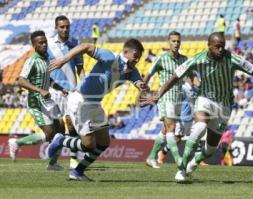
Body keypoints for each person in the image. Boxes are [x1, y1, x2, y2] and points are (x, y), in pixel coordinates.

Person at [141, 32, 253, 182]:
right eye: (217, 47)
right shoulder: (198, 59)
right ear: (209, 46)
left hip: (224, 105)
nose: (220, 50)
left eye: (223, 47)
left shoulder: (232, 59)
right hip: (205, 99)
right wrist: (159, 93)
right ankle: (182, 168)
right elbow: (175, 76)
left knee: (210, 149)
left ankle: (194, 162)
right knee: (199, 128)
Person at [47, 39, 148, 181]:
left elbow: (141, 86)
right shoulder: (109, 57)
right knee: (89, 145)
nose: (137, 59)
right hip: (80, 100)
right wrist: (64, 59)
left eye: (139, 57)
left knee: (104, 143)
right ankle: (61, 140)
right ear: (126, 52)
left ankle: (77, 172)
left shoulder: (131, 71)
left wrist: (146, 93)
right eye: (135, 55)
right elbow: (85, 46)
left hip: (95, 103)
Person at [8, 31, 65, 168]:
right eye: (41, 43)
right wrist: (40, 90)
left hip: (47, 100)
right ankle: (16, 143)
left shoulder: (46, 58)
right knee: (50, 133)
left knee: (61, 131)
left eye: (45, 42)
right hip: (35, 102)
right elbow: (21, 81)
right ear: (34, 45)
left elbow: (46, 78)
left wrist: (59, 88)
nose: (44, 44)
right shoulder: (31, 61)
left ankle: (53, 164)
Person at [144, 31, 187, 169]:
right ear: (168, 42)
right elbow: (149, 75)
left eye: (178, 41)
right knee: (171, 127)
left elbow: (192, 76)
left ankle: (151, 157)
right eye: (173, 41)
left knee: (165, 129)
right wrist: (143, 92)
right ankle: (178, 160)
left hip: (178, 97)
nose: (176, 43)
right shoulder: (161, 58)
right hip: (164, 97)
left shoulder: (184, 59)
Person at [47, 15, 84, 170]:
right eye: (61, 27)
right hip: (54, 92)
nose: (65, 29)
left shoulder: (76, 44)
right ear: (56, 28)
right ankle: (53, 163)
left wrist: (83, 86)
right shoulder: (48, 45)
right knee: (59, 129)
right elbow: (44, 70)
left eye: (67, 26)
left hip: (71, 92)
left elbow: (80, 68)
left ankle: (74, 160)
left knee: (73, 127)